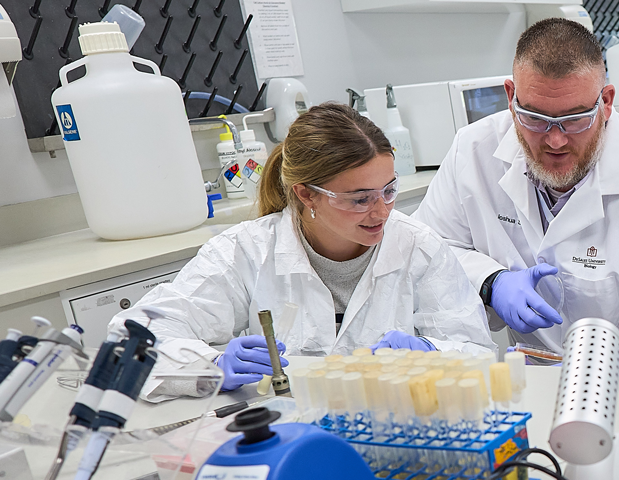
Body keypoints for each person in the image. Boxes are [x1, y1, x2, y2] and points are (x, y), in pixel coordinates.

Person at [113, 103, 495, 399]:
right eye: (359, 199)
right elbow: (131, 340)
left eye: (389, 190)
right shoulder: (245, 252)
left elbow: (479, 352)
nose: (381, 211)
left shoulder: (418, 247)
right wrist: (210, 365)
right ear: (306, 193)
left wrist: (431, 351)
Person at [412, 19, 619, 369]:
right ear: (510, 97)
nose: (555, 140)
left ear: (606, 103)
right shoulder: (472, 151)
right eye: (534, 118)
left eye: (575, 119)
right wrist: (491, 281)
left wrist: (586, 376)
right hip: (528, 386)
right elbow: (429, 254)